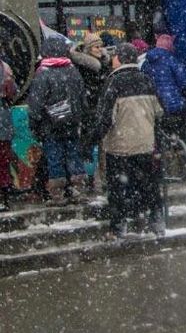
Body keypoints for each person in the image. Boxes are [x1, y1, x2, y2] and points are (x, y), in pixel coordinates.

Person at [93, 43, 164, 237]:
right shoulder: (147, 80)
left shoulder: (114, 82)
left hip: (120, 147)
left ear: (121, 59)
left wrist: (92, 138)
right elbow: (159, 112)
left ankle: (119, 226)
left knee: (118, 190)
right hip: (145, 144)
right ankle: (155, 221)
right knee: (149, 185)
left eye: (115, 55)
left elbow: (106, 118)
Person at [28, 37, 87, 201]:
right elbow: (82, 99)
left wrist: (34, 124)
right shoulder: (73, 71)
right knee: (73, 155)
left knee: (54, 158)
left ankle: (57, 193)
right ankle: (78, 188)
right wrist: (79, 117)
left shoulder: (43, 73)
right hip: (72, 123)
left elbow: (35, 104)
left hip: (50, 126)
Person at [69, 31, 111, 190]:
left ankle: (104, 179)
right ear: (88, 49)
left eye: (101, 46)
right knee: (88, 147)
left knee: (103, 147)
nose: (100, 49)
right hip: (88, 111)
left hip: (101, 110)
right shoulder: (81, 67)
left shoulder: (105, 64)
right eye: (96, 47)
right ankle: (90, 179)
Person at [142, 33, 186, 142]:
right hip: (172, 103)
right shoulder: (172, 60)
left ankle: (162, 143)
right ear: (170, 46)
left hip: (154, 105)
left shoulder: (146, 62)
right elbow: (184, 82)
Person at [0, 54, 17, 211]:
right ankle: (5, 196)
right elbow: (13, 91)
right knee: (3, 162)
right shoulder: (5, 67)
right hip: (4, 123)